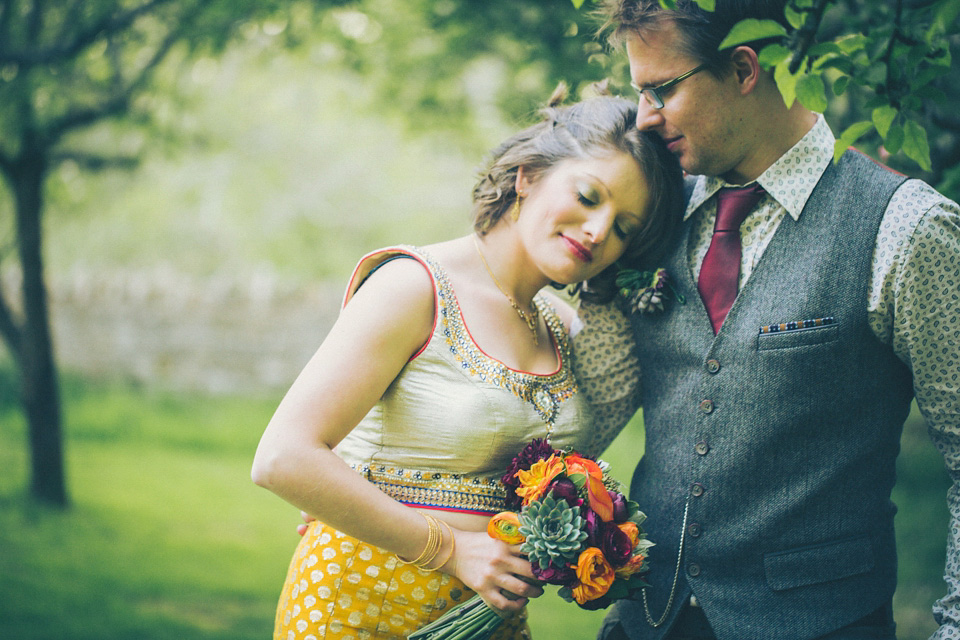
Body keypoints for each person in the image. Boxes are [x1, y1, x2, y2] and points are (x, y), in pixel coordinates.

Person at [569, 2, 960, 639]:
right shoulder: (649, 210)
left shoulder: (906, 229)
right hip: (645, 621)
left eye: (660, 89)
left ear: (745, 68)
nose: (644, 116)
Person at [251, 87, 685, 640]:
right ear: (527, 176)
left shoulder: (558, 324)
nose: (599, 231)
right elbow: (282, 457)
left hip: (489, 622)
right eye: (588, 195)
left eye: (624, 227)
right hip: (363, 602)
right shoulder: (414, 286)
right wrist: (452, 548)